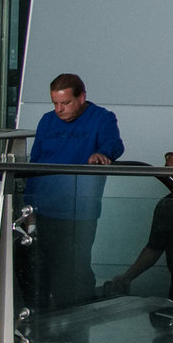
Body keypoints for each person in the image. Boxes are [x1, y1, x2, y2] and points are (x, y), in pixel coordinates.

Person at [27, 73, 123, 312]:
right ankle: (42, 321)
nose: (59, 109)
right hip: (44, 208)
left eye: (66, 103)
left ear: (82, 97)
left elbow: (114, 144)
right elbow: (33, 164)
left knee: (73, 269)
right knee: (40, 268)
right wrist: (27, 206)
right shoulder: (47, 121)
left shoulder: (102, 118)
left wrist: (103, 153)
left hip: (79, 211)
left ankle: (76, 321)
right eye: (55, 103)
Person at [100, 152, 173, 307]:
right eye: (167, 169)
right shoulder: (166, 204)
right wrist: (127, 276)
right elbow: (154, 248)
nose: (171, 174)